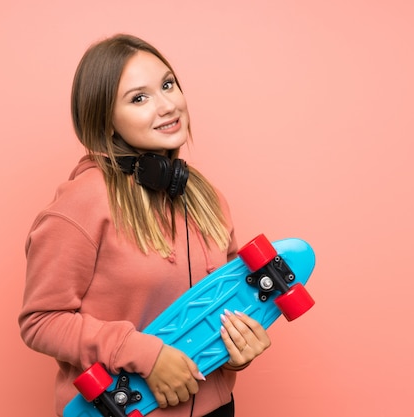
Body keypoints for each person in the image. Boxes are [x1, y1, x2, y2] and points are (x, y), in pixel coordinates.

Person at [19, 34, 271, 417]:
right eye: (139, 98)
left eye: (168, 85)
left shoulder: (206, 196)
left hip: (218, 409)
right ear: (106, 120)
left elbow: (231, 297)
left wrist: (237, 351)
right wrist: (142, 355)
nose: (167, 105)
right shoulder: (82, 204)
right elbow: (41, 321)